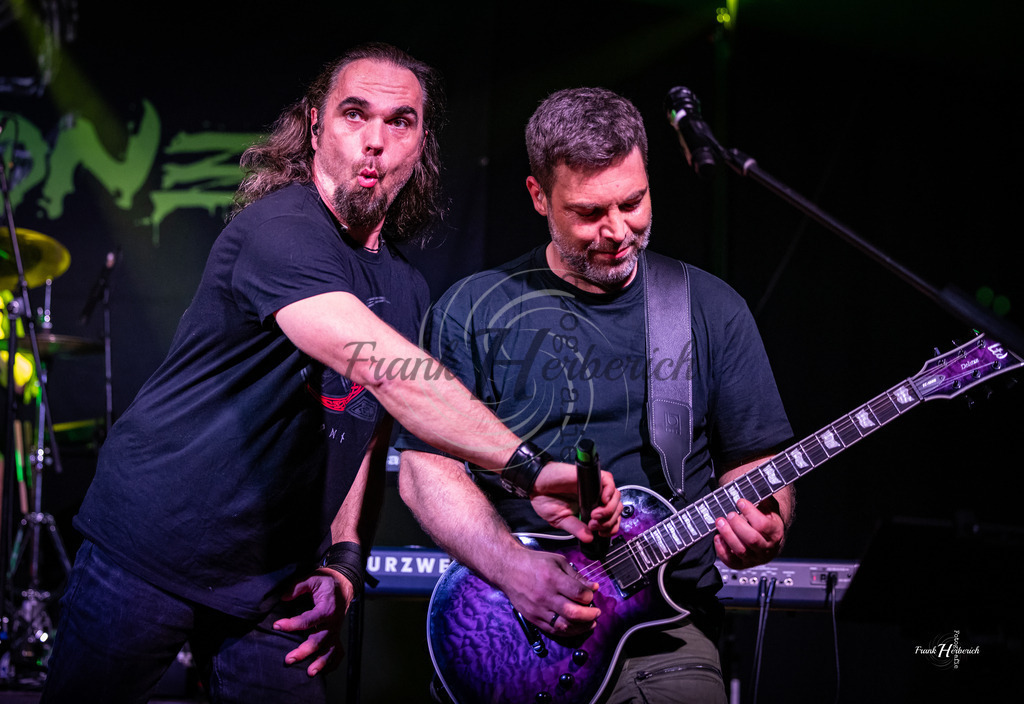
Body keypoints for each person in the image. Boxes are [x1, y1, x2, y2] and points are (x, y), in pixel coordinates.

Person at [40, 45, 620, 704]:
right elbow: (379, 366)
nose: (375, 140)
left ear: (421, 144)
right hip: (149, 552)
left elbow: (361, 433)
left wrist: (343, 562)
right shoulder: (279, 230)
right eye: (354, 114)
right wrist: (529, 468)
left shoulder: (403, 287)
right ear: (316, 127)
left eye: (400, 121)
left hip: (270, 589)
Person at [398, 86, 795, 703]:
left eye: (633, 202)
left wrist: (767, 523)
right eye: (588, 212)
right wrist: (514, 569)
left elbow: (756, 460)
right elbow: (426, 470)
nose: (617, 231)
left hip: (664, 634)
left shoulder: (711, 310)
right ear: (538, 197)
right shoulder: (476, 309)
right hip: (507, 628)